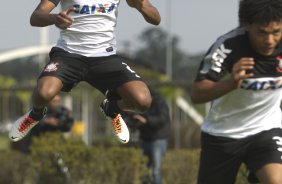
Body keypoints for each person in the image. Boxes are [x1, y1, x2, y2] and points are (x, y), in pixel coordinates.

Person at [9, 0, 161, 144]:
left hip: (105, 57)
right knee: (43, 93)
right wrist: (55, 18)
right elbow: (35, 17)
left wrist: (141, 6)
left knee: (143, 101)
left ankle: (112, 108)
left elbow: (156, 19)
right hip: (69, 55)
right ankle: (35, 115)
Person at [191, 0, 282, 183]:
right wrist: (231, 83)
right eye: (262, 33)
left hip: (265, 129)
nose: (270, 40)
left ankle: (256, 171)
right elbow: (197, 93)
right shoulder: (228, 46)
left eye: (276, 32)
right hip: (223, 134)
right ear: (247, 25)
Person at [123, 88, 170, 184]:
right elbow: (134, 118)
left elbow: (163, 118)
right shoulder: (140, 105)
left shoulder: (159, 103)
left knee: (155, 171)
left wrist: (146, 120)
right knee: (144, 171)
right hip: (145, 140)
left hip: (158, 140)